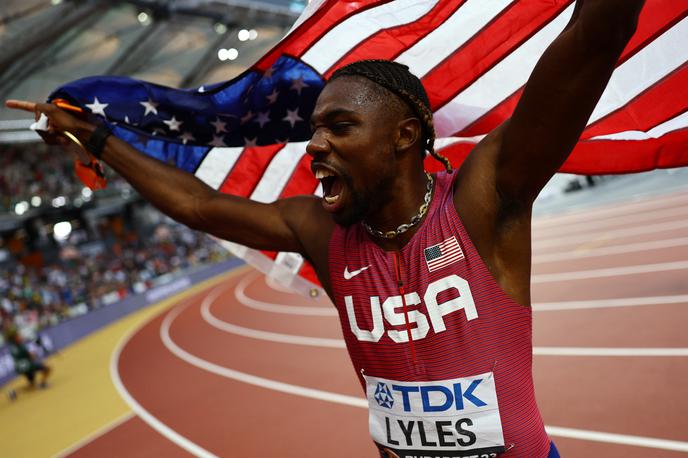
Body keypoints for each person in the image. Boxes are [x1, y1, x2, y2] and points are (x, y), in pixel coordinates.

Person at [6, 0, 645, 455]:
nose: (313, 145)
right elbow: (199, 206)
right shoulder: (322, 230)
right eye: (314, 128)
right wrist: (97, 136)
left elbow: (593, 39)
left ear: (405, 135)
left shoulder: (484, 200)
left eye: (338, 127)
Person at [3, 326, 52, 399]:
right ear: (14, 337)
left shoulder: (13, 346)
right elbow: (31, 356)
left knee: (31, 385)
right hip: (27, 366)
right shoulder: (19, 346)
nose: (19, 336)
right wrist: (37, 348)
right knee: (47, 369)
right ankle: (43, 384)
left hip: (21, 368)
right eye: (17, 335)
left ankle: (13, 391)